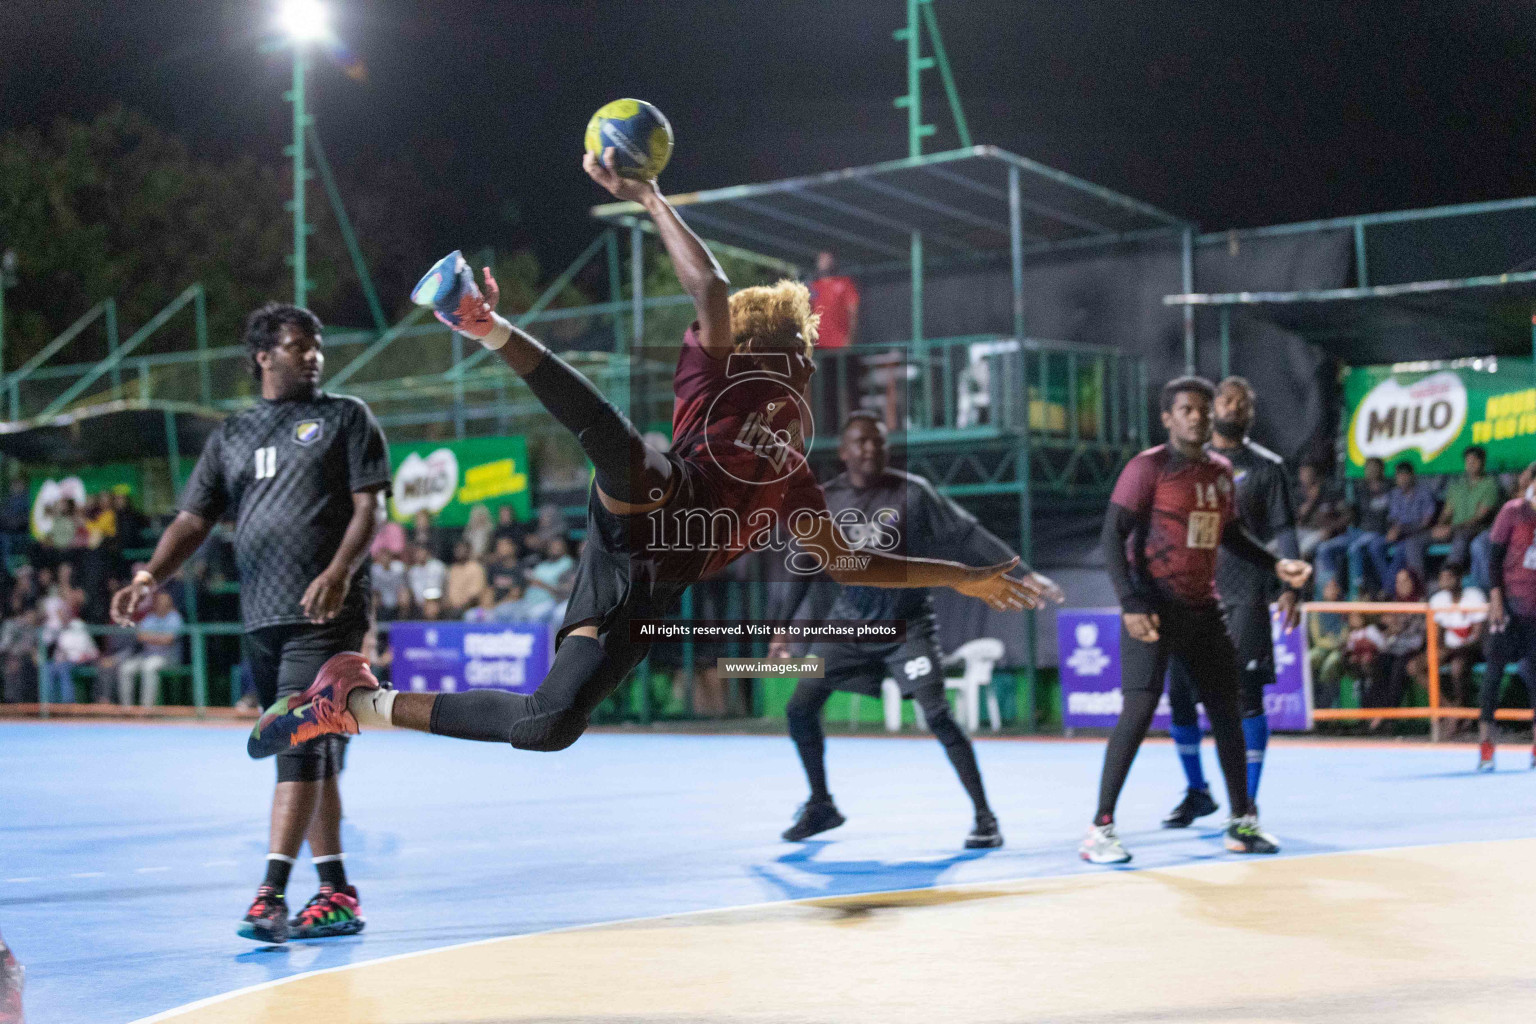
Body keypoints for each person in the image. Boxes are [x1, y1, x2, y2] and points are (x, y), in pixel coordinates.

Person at [246, 146, 1036, 773]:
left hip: (642, 586)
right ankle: (482, 321)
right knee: (628, 452)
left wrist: (964, 573)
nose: (809, 356)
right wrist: (651, 195)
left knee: (546, 725)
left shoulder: (795, 473)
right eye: (800, 343)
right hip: (648, 503)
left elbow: (854, 566)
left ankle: (355, 700)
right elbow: (713, 288)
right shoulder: (721, 370)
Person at [110, 300, 389, 944]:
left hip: (327, 611)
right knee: (306, 749)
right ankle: (337, 891)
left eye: (317, 344)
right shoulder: (231, 435)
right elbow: (193, 519)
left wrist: (342, 572)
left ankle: (269, 895)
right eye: (298, 345)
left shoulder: (346, 417)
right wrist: (150, 576)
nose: (313, 355)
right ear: (264, 356)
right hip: (261, 615)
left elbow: (369, 508)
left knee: (295, 741)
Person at [768, 410, 1064, 848]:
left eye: (879, 442)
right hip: (847, 627)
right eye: (861, 442)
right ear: (844, 452)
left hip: (908, 626)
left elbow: (969, 535)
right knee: (799, 709)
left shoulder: (913, 493)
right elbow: (804, 571)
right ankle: (821, 804)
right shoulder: (823, 501)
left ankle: (985, 818)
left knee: (939, 715)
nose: (870, 448)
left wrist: (1023, 572)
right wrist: (782, 632)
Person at [1081, 376, 1311, 865]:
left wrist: (1276, 565)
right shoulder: (1147, 468)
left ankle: (1242, 820)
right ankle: (1100, 828)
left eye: (1203, 410)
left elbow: (1230, 535)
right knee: (1139, 711)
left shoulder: (1222, 472)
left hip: (1203, 610)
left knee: (1227, 710)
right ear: (1168, 418)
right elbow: (1111, 537)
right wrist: (1130, 602)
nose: (1197, 417)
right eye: (1186, 409)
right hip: (1153, 608)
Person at [1161, 376, 1299, 829]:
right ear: (1210, 407)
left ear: (1251, 413)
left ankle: (1249, 803)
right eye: (1226, 400)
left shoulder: (1266, 468)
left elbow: (1284, 532)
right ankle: (1198, 792)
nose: (1233, 407)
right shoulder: (1186, 465)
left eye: (1243, 402)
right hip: (1191, 594)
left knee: (1246, 694)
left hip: (1247, 594)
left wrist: (1291, 586)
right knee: (1180, 696)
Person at [1478, 470, 1536, 771]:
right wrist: (1497, 599)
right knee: (1493, 675)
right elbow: (1494, 559)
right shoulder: (1512, 512)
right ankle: (1487, 745)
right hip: (1509, 608)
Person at [1315, 457, 1391, 595]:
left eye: (1374, 467)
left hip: (1378, 533)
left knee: (1355, 549)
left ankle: (1358, 588)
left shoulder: (1389, 489)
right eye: (1368, 468)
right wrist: (1337, 519)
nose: (1371, 471)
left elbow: (1393, 517)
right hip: (1357, 533)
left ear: (1381, 469)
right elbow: (1349, 514)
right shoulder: (1360, 489)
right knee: (1324, 549)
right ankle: (1332, 588)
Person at [1431, 446, 1500, 589]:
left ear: (1482, 462)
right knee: (1414, 542)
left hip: (1476, 529)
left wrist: (1451, 528)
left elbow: (1480, 517)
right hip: (1453, 529)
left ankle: (1449, 578)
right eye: (1468, 461)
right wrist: (1440, 525)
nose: (1471, 464)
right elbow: (1447, 512)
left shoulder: (1489, 484)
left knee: (1461, 538)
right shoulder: (1458, 485)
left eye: (1474, 461)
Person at [1364, 568, 1427, 726]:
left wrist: (1398, 632)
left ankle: (1389, 714)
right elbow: (1390, 634)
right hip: (1396, 648)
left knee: (1399, 667)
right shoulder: (1395, 604)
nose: (1401, 585)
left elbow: (1419, 638)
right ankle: (1371, 711)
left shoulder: (1422, 604)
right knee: (1381, 661)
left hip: (1416, 649)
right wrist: (1391, 630)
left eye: (1405, 581)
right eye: (1398, 582)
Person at [1364, 461, 1436, 593]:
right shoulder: (1395, 494)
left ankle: (1388, 591)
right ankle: (1390, 586)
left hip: (1416, 535)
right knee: (1375, 546)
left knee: (1400, 551)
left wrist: (1403, 530)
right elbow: (1392, 518)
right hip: (1399, 534)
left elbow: (1426, 522)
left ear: (1412, 476)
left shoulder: (1424, 493)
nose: (1402, 479)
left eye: (1405, 475)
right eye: (1399, 476)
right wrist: (1394, 529)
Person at [1428, 563, 1487, 715]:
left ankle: (1462, 712)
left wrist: (1455, 649)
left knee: (1457, 667)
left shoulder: (1474, 596)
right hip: (1449, 649)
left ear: (1459, 578)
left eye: (1449, 577)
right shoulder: (1437, 599)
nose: (1445, 581)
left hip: (1471, 649)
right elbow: (1437, 633)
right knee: (1416, 666)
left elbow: (1478, 636)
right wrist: (1439, 650)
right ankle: (1451, 710)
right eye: (1442, 578)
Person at [116, 591, 184, 707]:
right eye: (159, 602)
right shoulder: (150, 618)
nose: (161, 605)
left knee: (149, 667)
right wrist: (159, 637)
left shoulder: (175, 618)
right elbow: (140, 636)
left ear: (170, 604)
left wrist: (150, 637)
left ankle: (146, 708)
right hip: (147, 655)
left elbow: (168, 640)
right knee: (125, 668)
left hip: (168, 658)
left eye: (164, 603)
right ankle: (126, 709)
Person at [1307, 577, 1350, 710]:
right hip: (1322, 647)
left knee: (1331, 663)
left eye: (1334, 587)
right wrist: (1331, 642)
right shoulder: (1316, 608)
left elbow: (1345, 635)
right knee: (1309, 659)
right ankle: (1310, 705)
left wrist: (1335, 643)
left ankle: (1326, 710)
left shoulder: (1344, 608)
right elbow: (1317, 637)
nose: (1331, 590)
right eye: (1328, 587)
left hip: (1340, 649)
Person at [1293, 463, 1347, 561]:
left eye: (1308, 473)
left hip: (1323, 531)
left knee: (1302, 549)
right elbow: (1299, 519)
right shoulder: (1298, 494)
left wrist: (1331, 529)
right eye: (1303, 474)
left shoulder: (1330, 493)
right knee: (1272, 548)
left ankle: (1300, 575)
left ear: (1315, 475)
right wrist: (1312, 500)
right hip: (1303, 529)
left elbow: (1346, 516)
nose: (1305, 477)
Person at [43, 608, 97, 705]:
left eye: (64, 615)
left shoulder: (78, 625)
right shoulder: (60, 628)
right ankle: (49, 704)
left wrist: (69, 657)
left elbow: (85, 648)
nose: (62, 617)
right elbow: (55, 646)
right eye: (60, 616)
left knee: (63, 667)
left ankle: (68, 704)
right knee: (48, 667)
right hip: (65, 661)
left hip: (81, 659)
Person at [444, 541, 487, 615]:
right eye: (457, 549)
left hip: (471, 607)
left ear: (468, 551)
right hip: (452, 607)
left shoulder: (476, 568)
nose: (459, 552)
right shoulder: (453, 569)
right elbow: (447, 592)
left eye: (462, 549)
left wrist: (461, 606)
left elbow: (475, 595)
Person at [405, 543, 447, 615]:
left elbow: (444, 586)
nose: (419, 555)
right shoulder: (413, 571)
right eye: (417, 552)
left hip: (436, 601)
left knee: (432, 608)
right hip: (418, 605)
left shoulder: (437, 567)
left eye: (421, 552)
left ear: (427, 552)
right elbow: (412, 591)